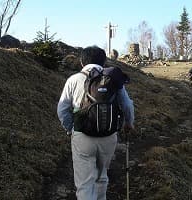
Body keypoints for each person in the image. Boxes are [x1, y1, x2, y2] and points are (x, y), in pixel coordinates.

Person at [57, 46, 134, 200]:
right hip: (109, 135)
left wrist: (70, 129)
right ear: (104, 61)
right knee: (102, 176)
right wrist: (129, 123)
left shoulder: (74, 80)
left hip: (82, 135)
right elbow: (127, 105)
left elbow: (62, 109)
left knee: (85, 184)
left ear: (81, 62)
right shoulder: (112, 78)